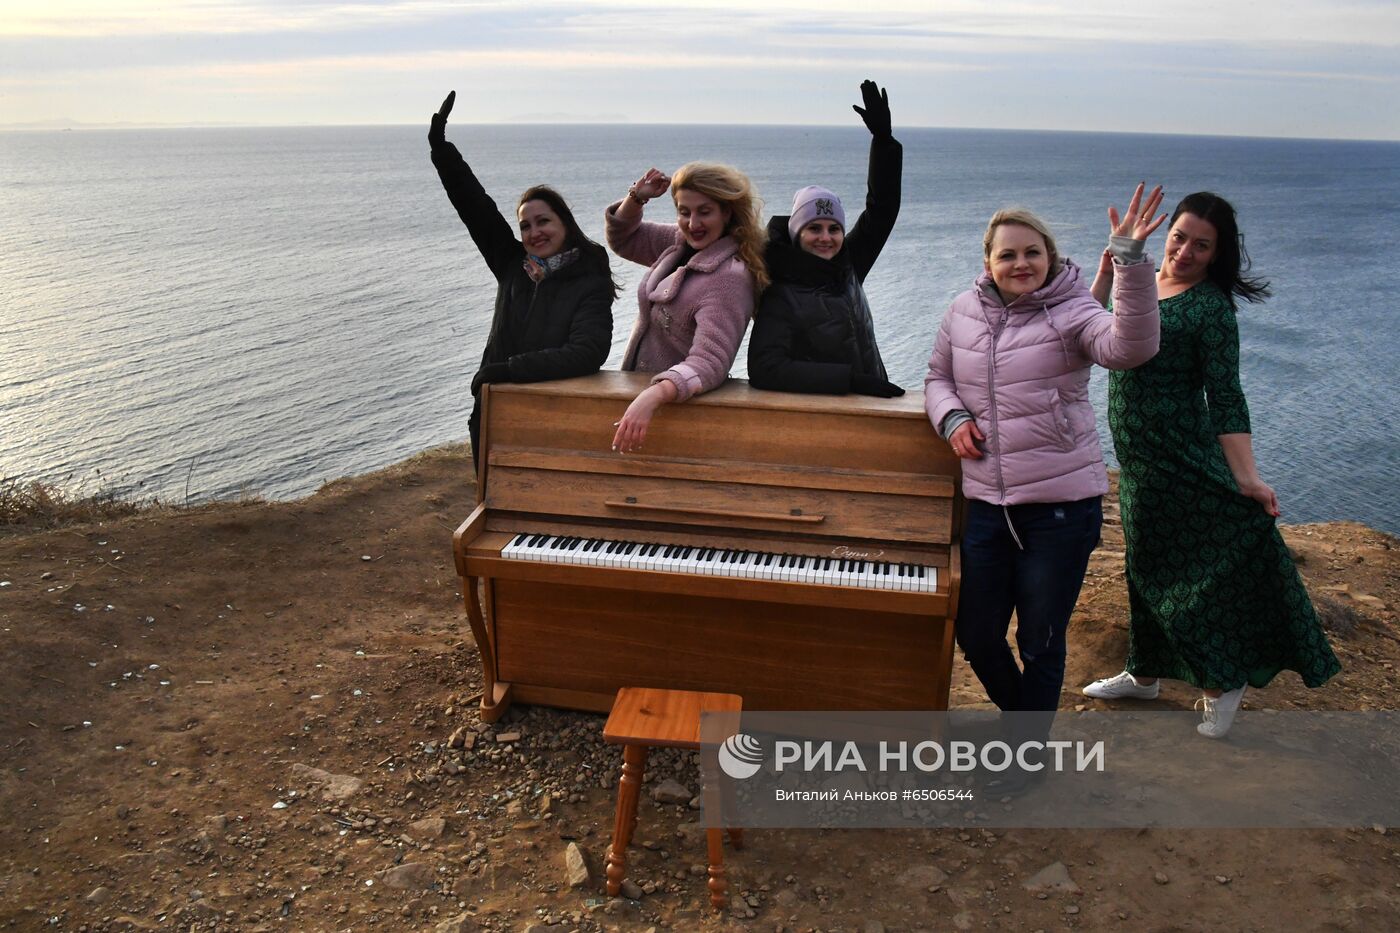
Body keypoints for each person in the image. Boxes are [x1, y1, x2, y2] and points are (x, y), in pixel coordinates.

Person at [924, 185, 1165, 792]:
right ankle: (1024, 730)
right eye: (1008, 255)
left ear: (1052, 258)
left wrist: (1132, 262)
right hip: (987, 506)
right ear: (988, 262)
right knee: (975, 630)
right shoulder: (962, 311)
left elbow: (1131, 348)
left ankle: (1024, 757)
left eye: (1033, 252)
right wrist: (952, 418)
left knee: (1040, 637)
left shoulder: (1074, 311)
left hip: (1060, 510)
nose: (1021, 264)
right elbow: (936, 377)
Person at [1082, 192, 1340, 738]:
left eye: (1203, 245)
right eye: (1179, 237)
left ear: (1218, 253)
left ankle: (1223, 683)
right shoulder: (1141, 278)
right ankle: (1145, 672)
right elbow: (1087, 324)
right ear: (1165, 234)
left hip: (1180, 456)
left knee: (1175, 567)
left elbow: (1226, 397)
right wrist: (1115, 261)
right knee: (1143, 562)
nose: (1186, 251)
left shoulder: (1211, 308)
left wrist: (1247, 477)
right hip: (1139, 459)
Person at [428, 90, 616, 471]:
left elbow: (588, 352)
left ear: (565, 223)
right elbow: (474, 206)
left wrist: (510, 370)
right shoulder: (512, 264)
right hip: (493, 412)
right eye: (525, 225)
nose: (534, 232)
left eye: (543, 221)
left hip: (548, 420)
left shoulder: (589, 279)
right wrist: (441, 149)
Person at [747, 79, 903, 397]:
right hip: (820, 420)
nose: (826, 237)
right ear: (796, 232)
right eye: (814, 228)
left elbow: (881, 211)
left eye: (834, 229)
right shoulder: (781, 288)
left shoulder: (848, 265)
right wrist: (850, 381)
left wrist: (884, 141)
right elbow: (765, 368)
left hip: (870, 408)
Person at [605, 162, 768, 453]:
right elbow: (624, 238)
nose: (693, 223)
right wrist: (637, 197)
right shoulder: (680, 242)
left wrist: (654, 395)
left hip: (675, 418)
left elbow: (711, 362)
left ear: (727, 212)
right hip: (638, 407)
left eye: (704, 212)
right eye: (684, 212)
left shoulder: (729, 278)